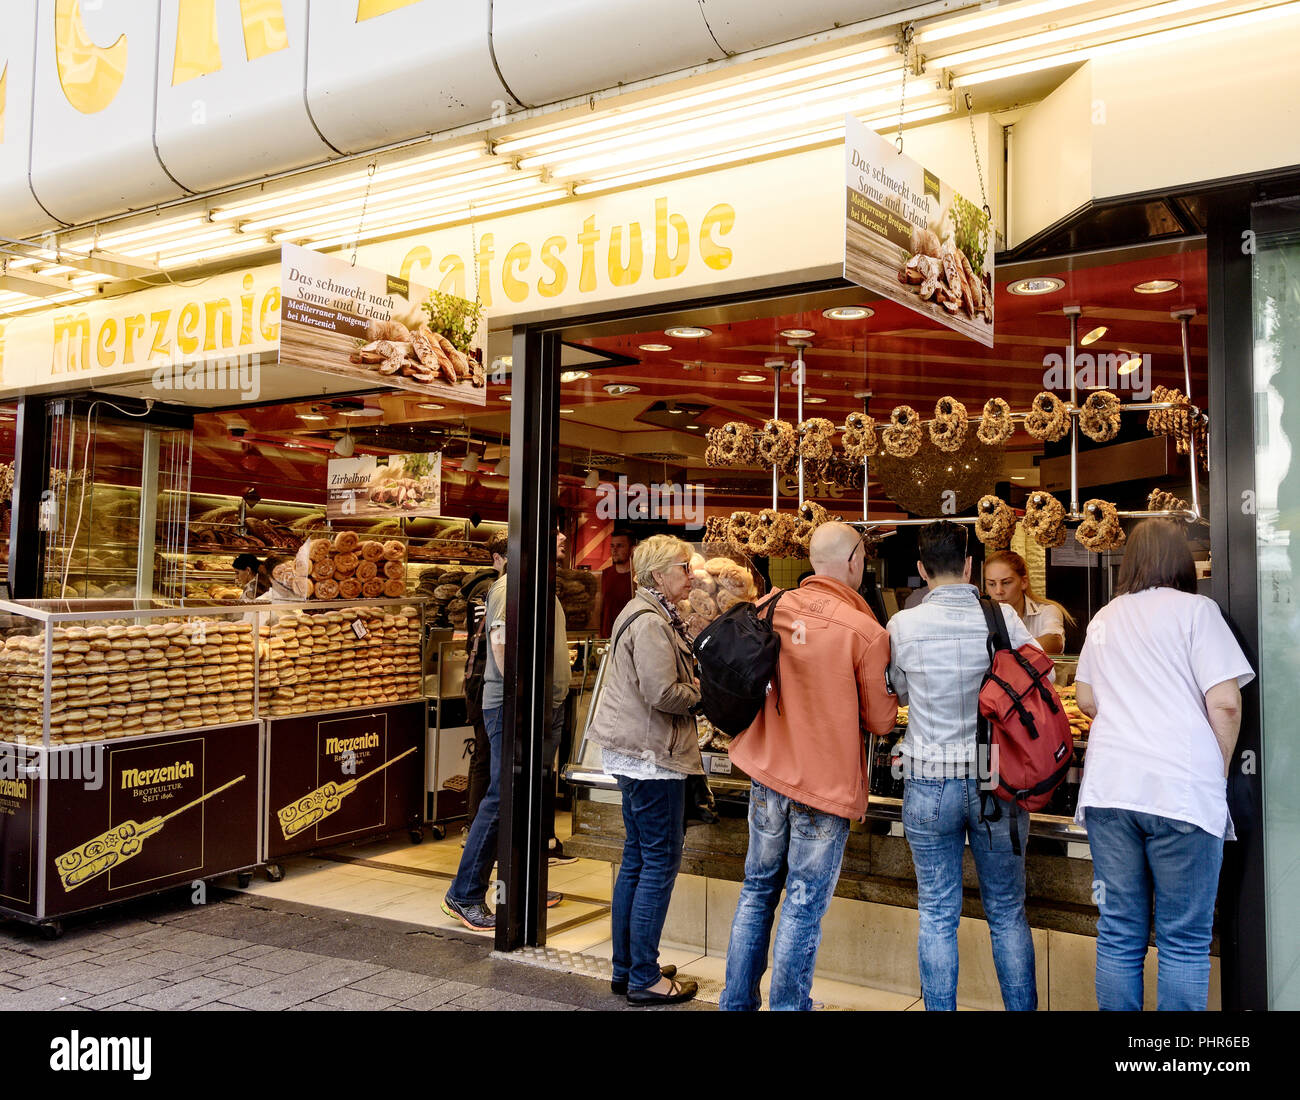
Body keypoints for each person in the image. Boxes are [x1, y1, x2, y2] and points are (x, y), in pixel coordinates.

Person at [1073, 520, 1252, 1011]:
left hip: (1110, 791)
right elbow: (1227, 704)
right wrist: (1215, 772)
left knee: (1118, 934)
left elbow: (1085, 699)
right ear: (1182, 562)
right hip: (1181, 794)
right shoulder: (1198, 611)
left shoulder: (1105, 617)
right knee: (1183, 942)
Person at [720, 522, 897, 1011]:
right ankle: (788, 1006)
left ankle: (735, 1002)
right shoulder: (866, 632)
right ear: (855, 560)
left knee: (756, 890)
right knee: (802, 903)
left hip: (765, 772)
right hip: (823, 788)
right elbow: (882, 721)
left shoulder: (770, 606)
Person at [887, 520, 1043, 1011]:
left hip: (930, 778)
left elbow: (901, 693)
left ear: (920, 569)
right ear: (971, 565)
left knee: (936, 913)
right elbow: (1035, 686)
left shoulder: (902, 626)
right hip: (995, 779)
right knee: (1007, 914)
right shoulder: (1002, 618)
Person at [585, 534, 702, 1006]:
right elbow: (663, 693)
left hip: (634, 753)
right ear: (658, 575)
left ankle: (627, 967)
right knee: (658, 862)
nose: (690, 575)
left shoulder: (641, 613)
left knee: (637, 859)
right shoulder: (651, 622)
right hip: (652, 757)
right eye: (683, 567)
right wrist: (704, 692)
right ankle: (644, 978)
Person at [441, 528, 568, 932]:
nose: (562, 543)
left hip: (539, 704)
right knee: (502, 798)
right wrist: (523, 699)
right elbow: (501, 642)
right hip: (515, 707)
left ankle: (520, 884)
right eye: (556, 538)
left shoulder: (538, 584)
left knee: (526, 796)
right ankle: (464, 894)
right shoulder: (509, 586)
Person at [461, 530, 509, 840]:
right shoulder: (488, 590)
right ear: (498, 559)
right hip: (484, 681)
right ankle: (474, 826)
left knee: (487, 753)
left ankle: (478, 825)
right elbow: (495, 638)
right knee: (485, 754)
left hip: (480, 678)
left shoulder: (489, 588)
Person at [984, 549, 1074, 655]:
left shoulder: (1047, 610)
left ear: (1024, 582)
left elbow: (1054, 643)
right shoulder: (980, 615)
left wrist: (1002, 653)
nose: (998, 591)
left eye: (1006, 582)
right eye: (991, 584)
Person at [598, 530, 636, 637]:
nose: (614, 550)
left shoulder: (638, 576)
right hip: (608, 637)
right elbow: (600, 608)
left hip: (631, 636)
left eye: (620, 546)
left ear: (632, 549)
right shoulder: (605, 574)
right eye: (612, 546)